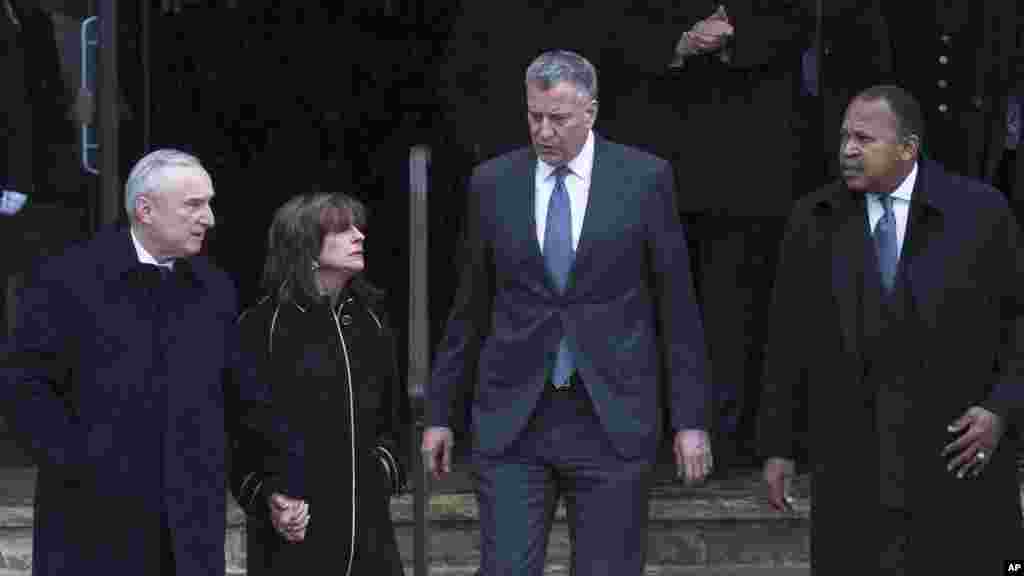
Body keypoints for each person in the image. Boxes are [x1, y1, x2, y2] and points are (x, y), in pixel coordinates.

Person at [423, 50, 712, 576]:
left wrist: (691, 419)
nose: (543, 131)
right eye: (534, 116)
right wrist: (439, 412)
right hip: (515, 416)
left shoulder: (645, 179)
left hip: (610, 416)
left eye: (557, 118)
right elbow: (468, 306)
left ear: (591, 112)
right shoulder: (492, 182)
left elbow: (677, 307)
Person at [758, 86, 1023, 574]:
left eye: (864, 138)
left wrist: (1001, 409)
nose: (848, 151)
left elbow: (1017, 323)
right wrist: (780, 448)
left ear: (908, 148)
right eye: (843, 138)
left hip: (955, 458)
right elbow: (787, 340)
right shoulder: (814, 220)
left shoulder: (979, 213)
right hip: (852, 467)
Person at [1, 149, 277, 575]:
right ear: (145, 209)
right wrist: (81, 463)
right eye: (194, 205)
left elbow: (240, 397)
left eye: (208, 203)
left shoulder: (213, 289)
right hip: (93, 528)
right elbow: (24, 387)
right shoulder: (68, 279)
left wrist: (274, 477)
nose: (209, 218)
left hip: (189, 533)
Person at [600, 1, 812, 469]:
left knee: (731, 314)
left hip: (744, 166)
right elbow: (609, 25)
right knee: (646, 305)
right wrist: (678, 41)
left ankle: (724, 442)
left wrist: (733, 36)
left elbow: (797, 21)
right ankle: (647, 437)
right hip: (654, 152)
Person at [229, 192, 410, 576]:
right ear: (306, 246)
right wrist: (269, 498)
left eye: (358, 227)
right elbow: (238, 435)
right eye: (343, 229)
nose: (359, 236)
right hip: (294, 541)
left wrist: (379, 475)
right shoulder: (261, 329)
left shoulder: (371, 322)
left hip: (369, 537)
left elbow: (396, 421)